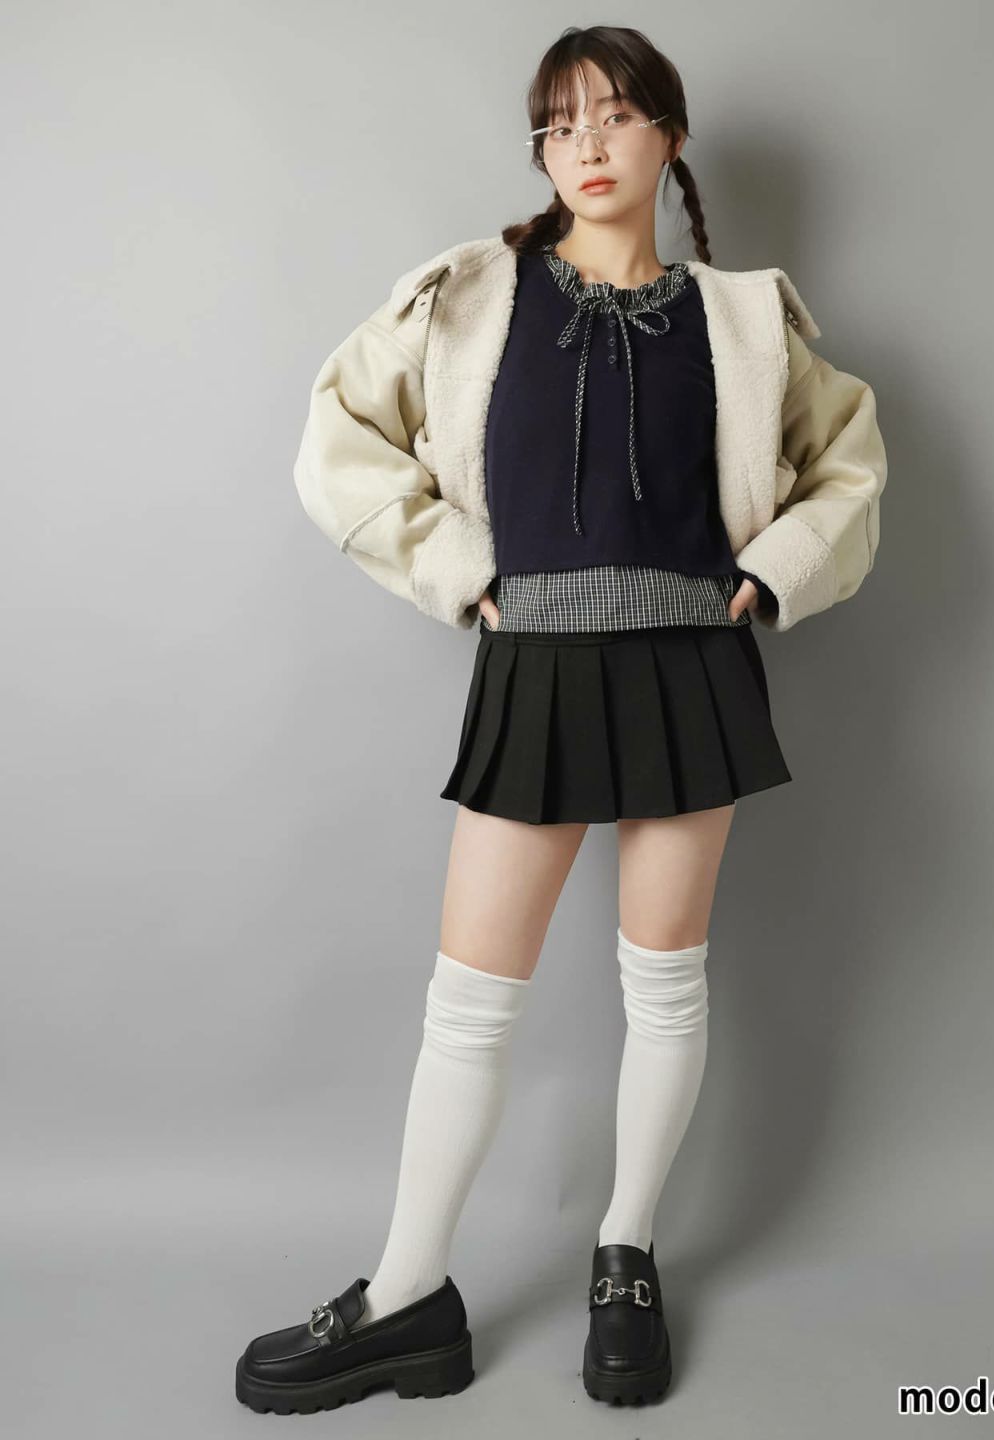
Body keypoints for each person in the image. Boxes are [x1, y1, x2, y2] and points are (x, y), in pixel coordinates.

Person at [235, 23, 887, 1415]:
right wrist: (457, 572)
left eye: (616, 114)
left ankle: (624, 1255)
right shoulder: (473, 295)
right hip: (534, 663)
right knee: (471, 1004)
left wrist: (772, 572)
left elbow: (850, 464)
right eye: (561, 121)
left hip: (690, 665)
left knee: (667, 984)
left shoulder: (745, 320)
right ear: (542, 148)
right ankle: (409, 1295)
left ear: (670, 137)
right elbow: (339, 436)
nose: (587, 142)